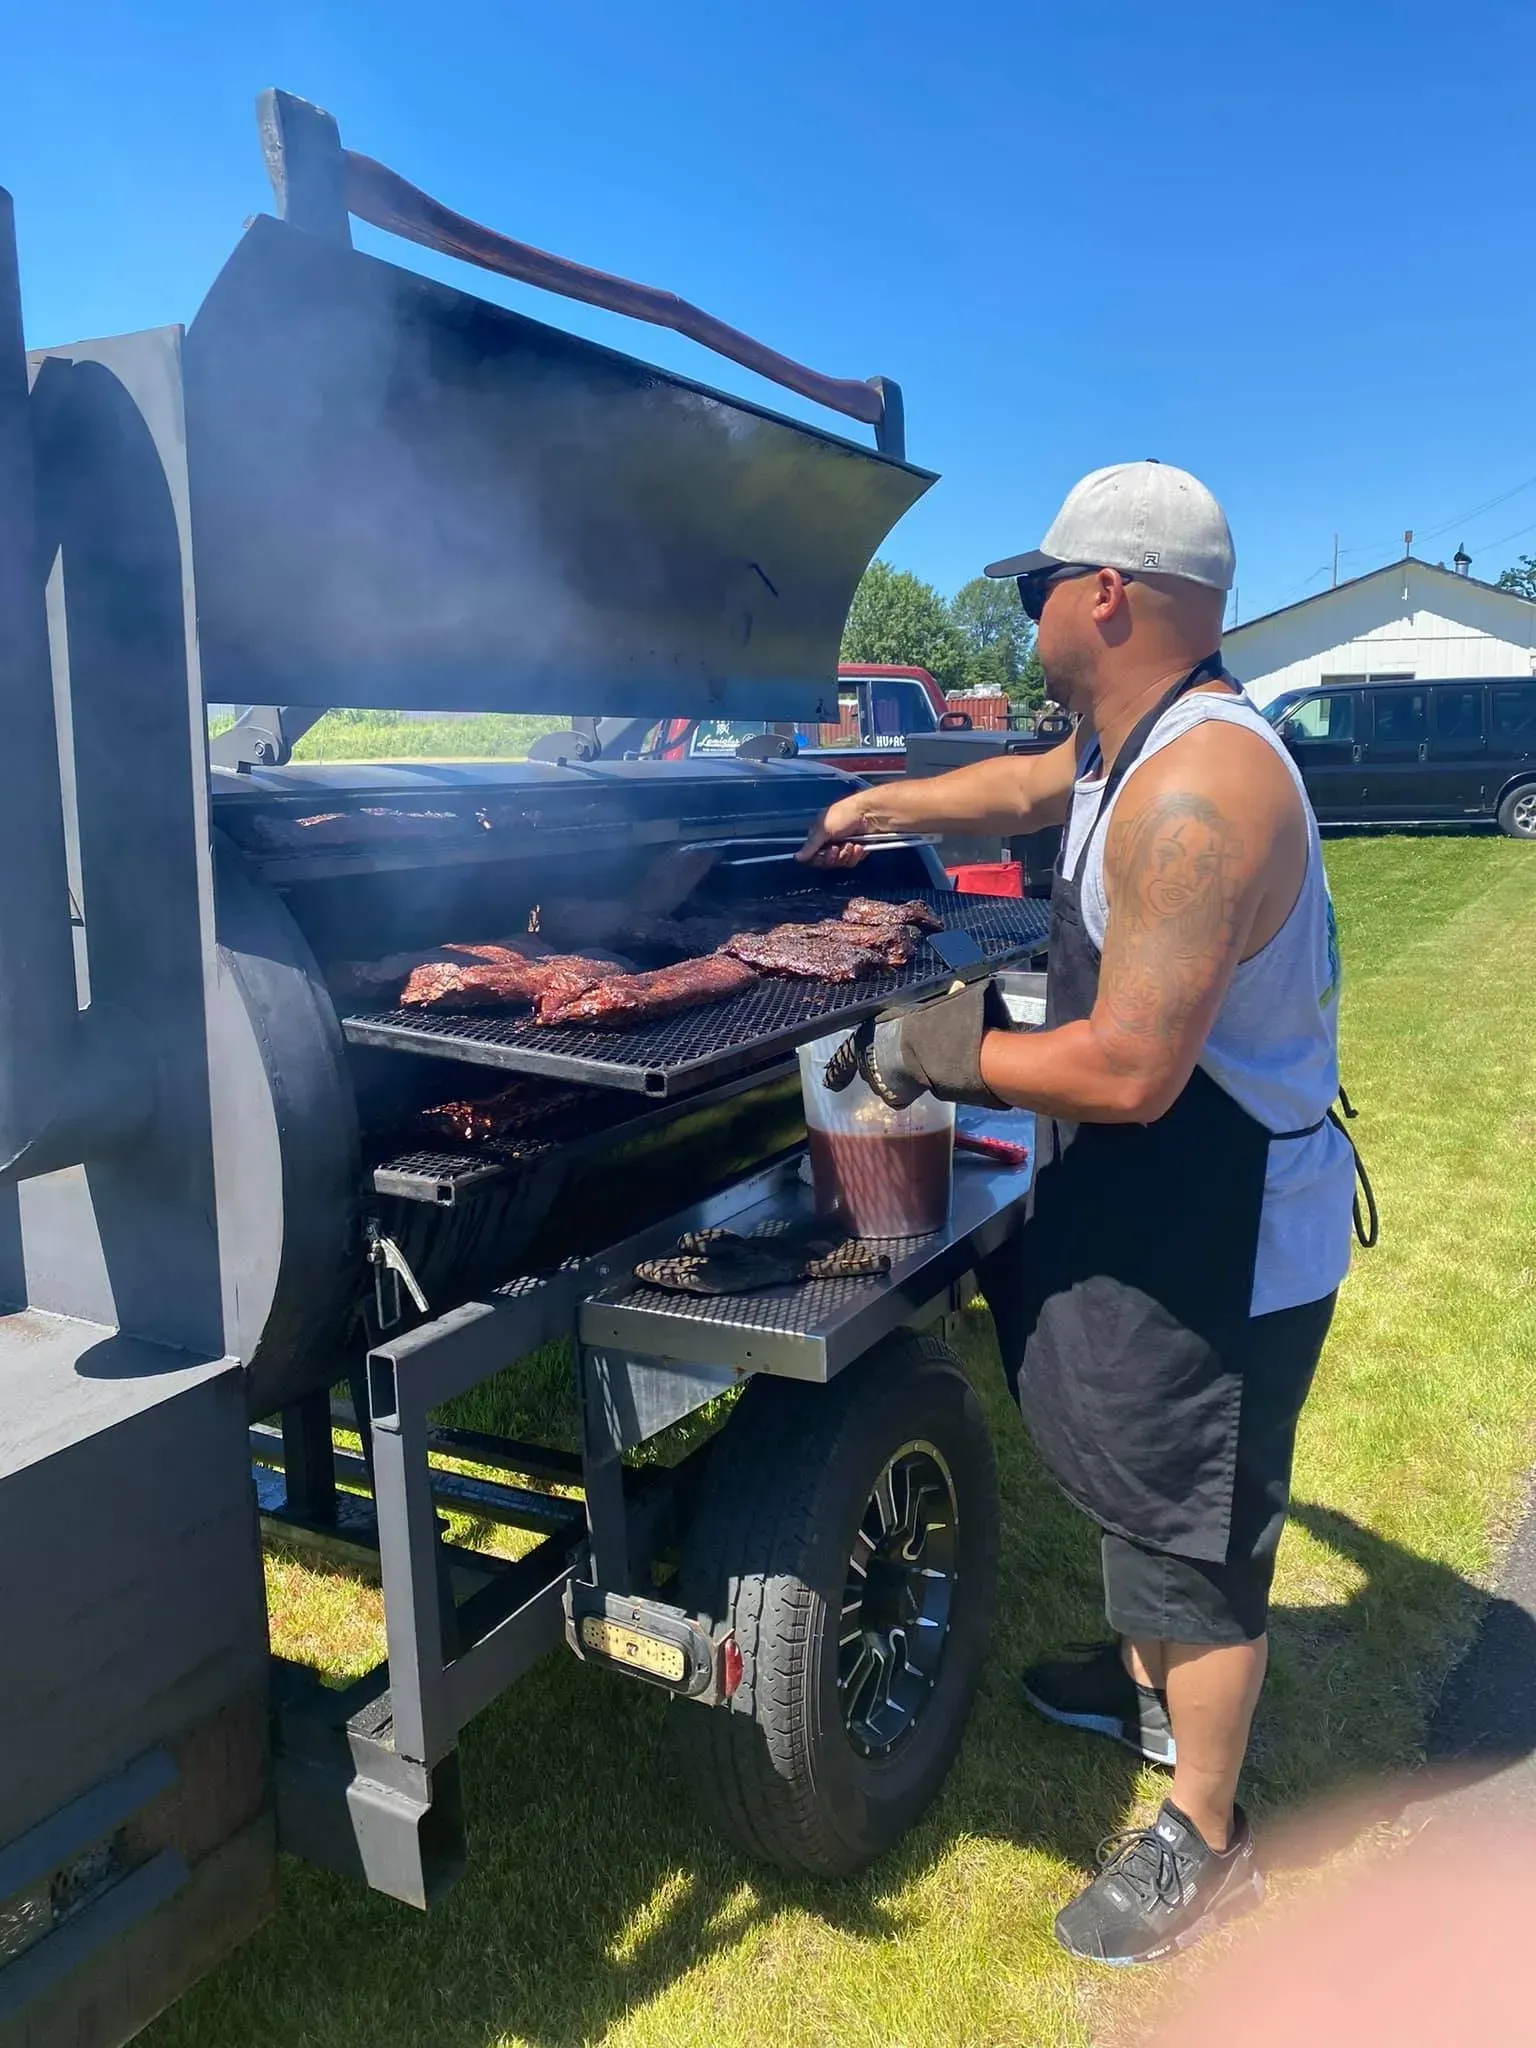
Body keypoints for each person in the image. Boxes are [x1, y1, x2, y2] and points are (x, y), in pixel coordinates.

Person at [800, 461, 1362, 1966]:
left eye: (1040, 586)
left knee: (1200, 1521)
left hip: (1223, 1226)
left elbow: (1125, 1065)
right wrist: (877, 798)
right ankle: (1145, 1691)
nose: (1031, 611)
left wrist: (947, 1049)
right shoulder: (1129, 737)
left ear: (1107, 594)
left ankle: (1206, 1834)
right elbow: (1029, 783)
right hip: (1157, 1196)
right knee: (1132, 1459)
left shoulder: (1201, 788)